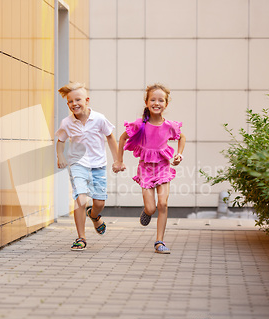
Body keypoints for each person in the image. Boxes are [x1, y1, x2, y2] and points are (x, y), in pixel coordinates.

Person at [113, 83, 186, 254]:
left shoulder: (169, 125)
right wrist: (119, 160)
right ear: (146, 102)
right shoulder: (140, 124)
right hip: (145, 170)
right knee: (152, 208)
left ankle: (159, 242)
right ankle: (147, 211)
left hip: (163, 169)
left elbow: (182, 137)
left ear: (166, 104)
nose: (157, 103)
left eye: (161, 100)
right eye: (153, 99)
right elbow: (122, 138)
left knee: (163, 204)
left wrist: (179, 154)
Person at [55, 82, 118, 251]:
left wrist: (117, 160)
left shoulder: (99, 118)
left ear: (87, 100)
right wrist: (60, 155)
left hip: (98, 166)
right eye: (70, 101)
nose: (74, 104)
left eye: (78, 100)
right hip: (78, 164)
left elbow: (111, 138)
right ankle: (81, 238)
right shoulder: (67, 123)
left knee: (99, 202)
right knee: (80, 199)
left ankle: (94, 215)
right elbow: (60, 141)